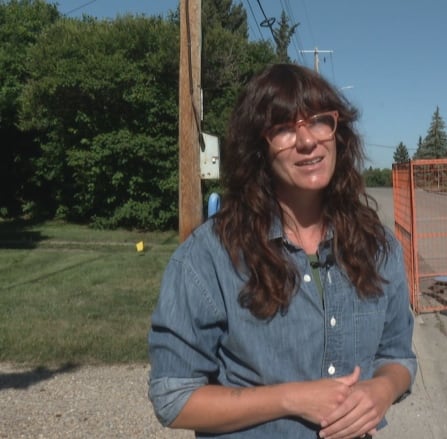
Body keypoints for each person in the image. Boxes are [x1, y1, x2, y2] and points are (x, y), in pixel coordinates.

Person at [148, 63, 417, 439]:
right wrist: (290, 399)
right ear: (259, 148)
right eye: (284, 128)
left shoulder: (378, 247)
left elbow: (398, 356)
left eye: (320, 121)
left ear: (338, 133)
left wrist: (382, 389)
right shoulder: (210, 256)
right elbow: (172, 396)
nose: (307, 141)